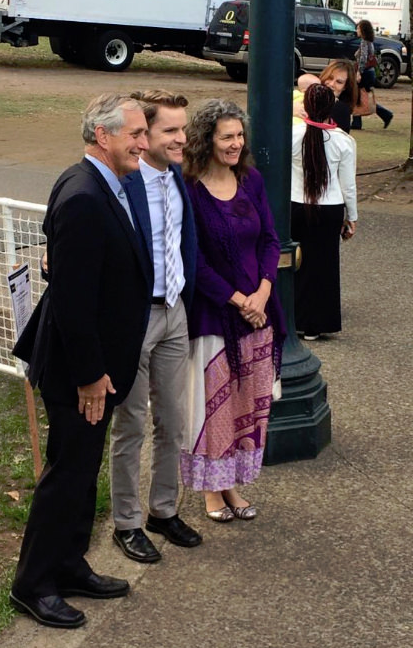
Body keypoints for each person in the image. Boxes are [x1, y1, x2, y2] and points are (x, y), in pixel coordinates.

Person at [10, 93, 150, 629]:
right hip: (79, 372)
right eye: (135, 133)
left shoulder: (108, 184)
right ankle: (33, 583)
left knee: (83, 471)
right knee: (66, 474)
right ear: (102, 135)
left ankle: (68, 564)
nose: (144, 142)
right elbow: (71, 300)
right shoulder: (84, 194)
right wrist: (91, 376)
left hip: (103, 366)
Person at [180, 99, 285, 523]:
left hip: (259, 314)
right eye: (227, 136)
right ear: (207, 140)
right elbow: (194, 259)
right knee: (215, 407)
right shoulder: (189, 188)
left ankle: (233, 485)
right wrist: (238, 300)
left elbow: (270, 241)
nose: (236, 143)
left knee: (246, 407)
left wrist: (261, 293)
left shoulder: (252, 181)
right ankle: (210, 490)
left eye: (240, 135)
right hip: (214, 316)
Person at [110, 89, 202, 563]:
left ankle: (162, 511)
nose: (182, 138)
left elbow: (187, 242)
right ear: (144, 136)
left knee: (174, 422)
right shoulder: (122, 184)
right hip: (134, 318)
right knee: (132, 424)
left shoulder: (179, 177)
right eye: (171, 130)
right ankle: (125, 522)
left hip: (174, 314)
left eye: (183, 128)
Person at [291, 84, 358, 341]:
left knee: (294, 262)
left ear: (305, 106)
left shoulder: (293, 134)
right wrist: (351, 217)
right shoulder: (343, 141)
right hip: (329, 208)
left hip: (295, 204)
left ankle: (291, 315)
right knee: (323, 266)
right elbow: (348, 185)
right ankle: (315, 324)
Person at [351, 19, 393, 130]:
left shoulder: (364, 42)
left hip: (365, 73)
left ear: (363, 30)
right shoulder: (370, 42)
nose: (356, 30)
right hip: (370, 72)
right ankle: (358, 121)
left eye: (358, 28)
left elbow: (363, 59)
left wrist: (359, 72)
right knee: (361, 96)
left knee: (359, 96)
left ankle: (385, 115)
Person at [320, 59, 358, 133]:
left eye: (339, 82)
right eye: (330, 78)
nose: (331, 84)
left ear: (345, 87)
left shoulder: (341, 109)